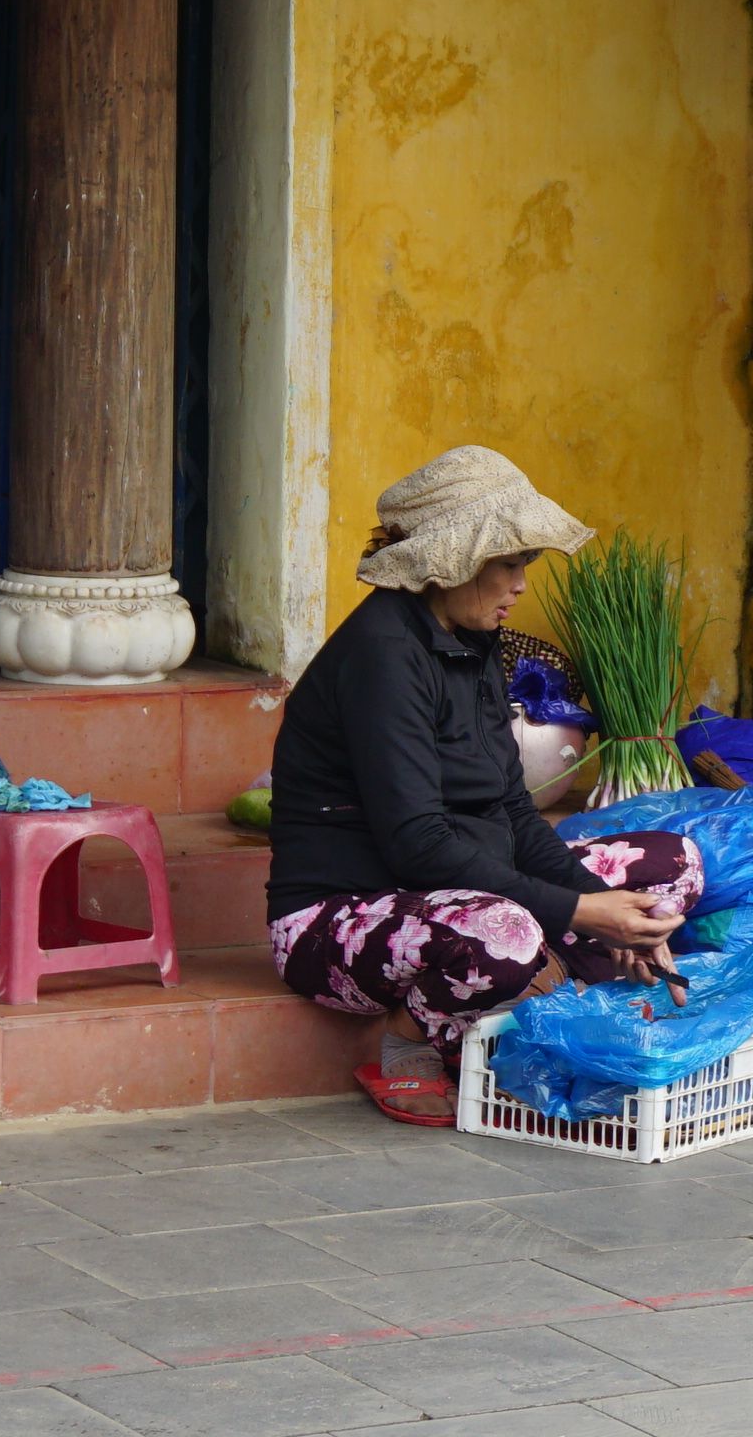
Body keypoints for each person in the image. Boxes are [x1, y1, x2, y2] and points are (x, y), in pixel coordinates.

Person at [262, 445, 705, 1121]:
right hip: (340, 920)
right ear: (453, 561)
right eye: (509, 564)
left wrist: (604, 909)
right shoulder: (383, 656)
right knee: (507, 932)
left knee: (670, 868)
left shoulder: (475, 645)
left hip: (460, 887)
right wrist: (583, 915)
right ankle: (408, 1043)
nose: (521, 585)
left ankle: (562, 994)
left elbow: (512, 812)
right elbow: (417, 844)